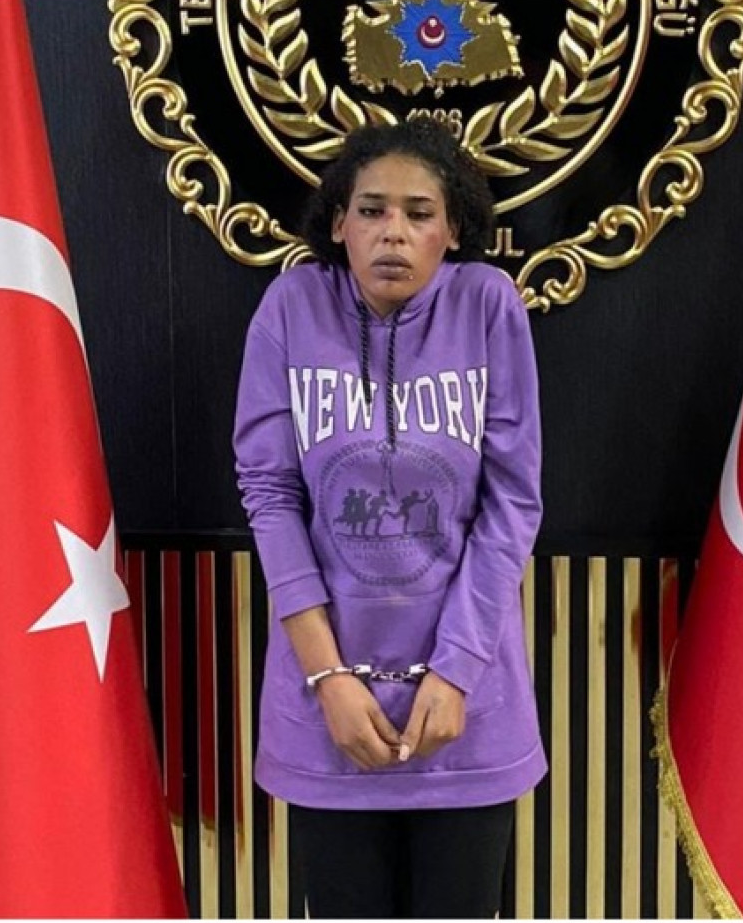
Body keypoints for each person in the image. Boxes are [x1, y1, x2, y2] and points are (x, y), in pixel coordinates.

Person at [233, 118, 546, 918]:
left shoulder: (488, 304)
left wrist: (457, 669)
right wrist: (328, 679)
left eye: (418, 212)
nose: (393, 233)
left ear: (453, 230)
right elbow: (269, 492)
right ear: (339, 223)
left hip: (465, 709)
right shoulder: (290, 307)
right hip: (329, 712)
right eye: (371, 210)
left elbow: (512, 500)